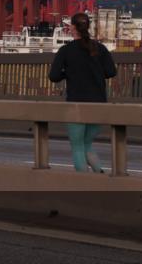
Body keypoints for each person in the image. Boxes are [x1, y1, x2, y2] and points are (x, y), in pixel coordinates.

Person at [48, 12, 118, 173]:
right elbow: (111, 72)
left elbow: (54, 76)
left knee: (78, 146)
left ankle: (84, 181)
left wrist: (69, 72)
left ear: (72, 27)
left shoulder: (66, 51)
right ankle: (99, 173)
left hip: (76, 104)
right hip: (98, 104)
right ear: (88, 27)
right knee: (86, 144)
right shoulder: (100, 48)